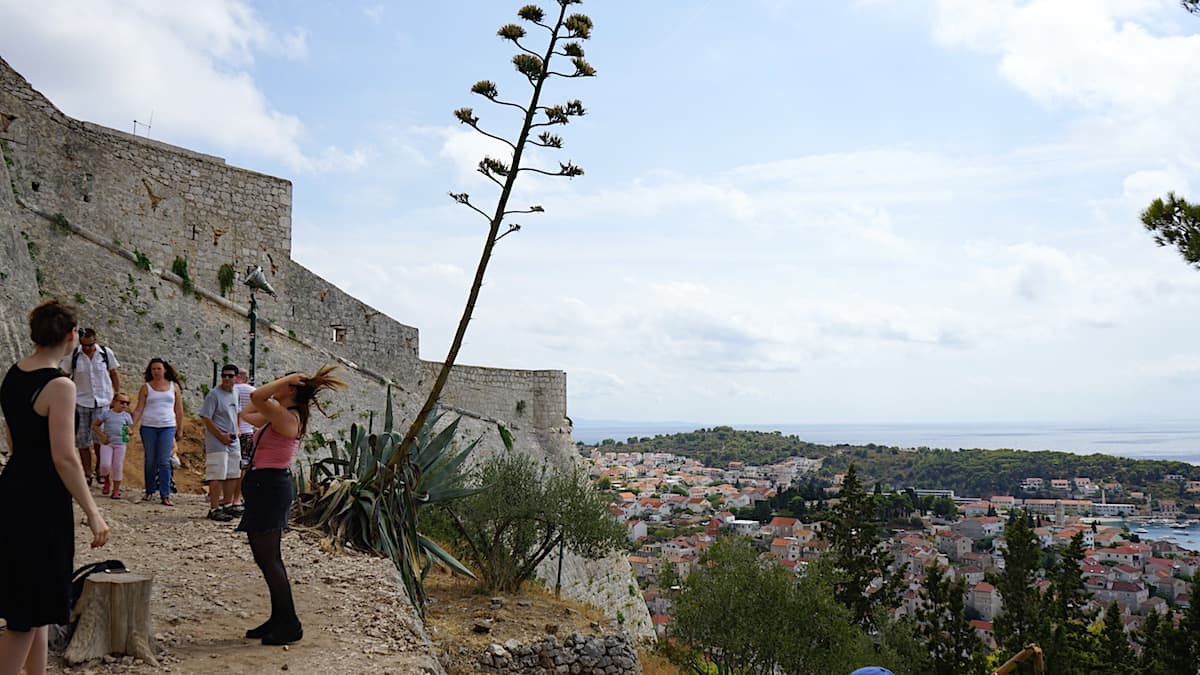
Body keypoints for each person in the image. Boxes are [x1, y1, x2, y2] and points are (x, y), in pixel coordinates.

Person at [0, 301, 110, 675]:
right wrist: (93, 513)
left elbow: (13, 441)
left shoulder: (13, 374)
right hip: (43, 499)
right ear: (70, 337)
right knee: (27, 612)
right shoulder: (59, 385)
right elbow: (65, 457)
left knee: (38, 603)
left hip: (14, 487)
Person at [237, 366, 345, 646]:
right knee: (267, 559)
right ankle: (279, 618)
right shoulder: (278, 415)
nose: (277, 384)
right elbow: (247, 412)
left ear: (293, 389)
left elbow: (258, 397)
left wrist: (282, 380)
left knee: (270, 559)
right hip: (264, 487)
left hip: (269, 488)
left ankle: (290, 624)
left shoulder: (287, 417)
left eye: (284, 382)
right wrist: (283, 385)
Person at [60, 327, 120, 485]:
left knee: (99, 439)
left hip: (102, 402)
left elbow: (113, 373)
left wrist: (117, 394)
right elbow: (65, 376)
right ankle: (87, 472)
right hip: (80, 402)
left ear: (95, 341)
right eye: (84, 345)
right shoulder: (73, 356)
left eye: (90, 345)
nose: (87, 348)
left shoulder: (106, 354)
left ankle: (101, 469)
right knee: (82, 440)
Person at [130, 358, 182, 506]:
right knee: (150, 459)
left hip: (167, 425)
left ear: (165, 369)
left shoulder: (174, 387)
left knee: (164, 460)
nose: (156, 372)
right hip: (149, 426)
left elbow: (179, 409)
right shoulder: (146, 387)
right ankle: (149, 490)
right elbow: (139, 408)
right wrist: (132, 425)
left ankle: (165, 494)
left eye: (158, 369)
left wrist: (180, 428)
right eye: (153, 369)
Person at [200, 365, 241, 522]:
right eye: (224, 375)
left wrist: (236, 431)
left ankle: (227, 504)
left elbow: (236, 413)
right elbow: (206, 418)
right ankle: (214, 508)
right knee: (217, 474)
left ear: (236, 378)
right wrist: (220, 436)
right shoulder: (213, 395)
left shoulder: (235, 393)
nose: (226, 379)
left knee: (233, 473)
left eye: (230, 376)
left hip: (232, 439)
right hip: (217, 441)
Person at [90, 392, 133, 499]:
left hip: (120, 444)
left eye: (127, 403)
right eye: (122, 402)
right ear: (114, 402)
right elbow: (95, 426)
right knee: (104, 465)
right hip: (107, 443)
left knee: (117, 466)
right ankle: (107, 482)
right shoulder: (106, 413)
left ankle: (116, 490)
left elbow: (129, 429)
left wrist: (129, 431)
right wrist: (102, 436)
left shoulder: (126, 416)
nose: (124, 405)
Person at [229, 367, 255, 512]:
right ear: (245, 378)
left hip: (229, 432)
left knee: (227, 464)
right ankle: (236, 498)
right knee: (243, 467)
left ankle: (222, 496)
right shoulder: (253, 391)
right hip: (246, 431)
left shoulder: (228, 389)